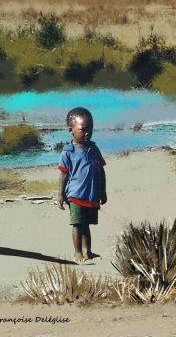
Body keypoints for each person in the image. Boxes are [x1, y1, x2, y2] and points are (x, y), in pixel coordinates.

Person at [57, 107, 107, 262]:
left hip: (91, 194)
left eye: (90, 129)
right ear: (71, 129)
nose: (87, 133)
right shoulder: (68, 151)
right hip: (75, 194)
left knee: (87, 225)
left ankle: (88, 252)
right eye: (83, 130)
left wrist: (103, 191)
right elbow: (63, 174)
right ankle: (77, 252)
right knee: (78, 224)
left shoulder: (94, 148)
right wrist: (60, 193)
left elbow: (101, 171)